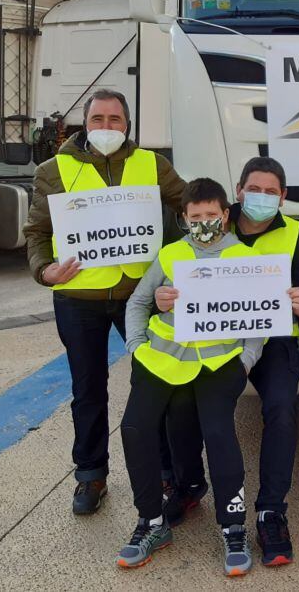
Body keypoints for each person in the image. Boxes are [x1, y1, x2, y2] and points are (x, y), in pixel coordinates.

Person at [158, 157, 299, 567]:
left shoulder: (295, 236)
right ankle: (190, 484)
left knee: (282, 410)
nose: (262, 197)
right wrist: (164, 299)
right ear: (238, 191)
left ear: (284, 198)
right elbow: (170, 270)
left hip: (273, 343)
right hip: (213, 339)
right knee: (179, 404)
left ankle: (271, 511)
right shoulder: (212, 220)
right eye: (255, 189)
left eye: (272, 192)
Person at [22, 88, 185, 515]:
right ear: (85, 124)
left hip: (140, 296)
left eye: (115, 120)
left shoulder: (152, 164)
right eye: (98, 120)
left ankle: (166, 471)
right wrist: (45, 271)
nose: (107, 128)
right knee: (88, 389)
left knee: (156, 384)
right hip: (79, 297)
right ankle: (91, 476)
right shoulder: (53, 170)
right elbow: (37, 233)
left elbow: (191, 206)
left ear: (127, 125)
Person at [116, 178, 256, 576]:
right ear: (184, 219)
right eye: (196, 217)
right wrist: (136, 347)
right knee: (135, 429)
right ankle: (152, 523)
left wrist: (246, 359)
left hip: (216, 363)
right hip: (161, 358)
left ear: (226, 215)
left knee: (219, 432)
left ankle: (233, 526)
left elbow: (258, 317)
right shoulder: (170, 255)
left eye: (212, 215)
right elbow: (138, 302)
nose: (204, 222)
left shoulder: (242, 257)